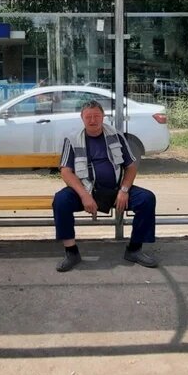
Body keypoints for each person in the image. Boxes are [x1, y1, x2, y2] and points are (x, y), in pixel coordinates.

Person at [52, 99, 158, 272]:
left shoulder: (116, 136)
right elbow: (66, 171)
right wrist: (84, 195)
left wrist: (124, 190)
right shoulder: (72, 139)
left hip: (115, 190)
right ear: (82, 118)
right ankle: (71, 252)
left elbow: (131, 166)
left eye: (96, 116)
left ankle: (134, 249)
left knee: (146, 199)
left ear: (103, 117)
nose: (93, 120)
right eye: (88, 117)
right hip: (87, 191)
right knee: (61, 200)